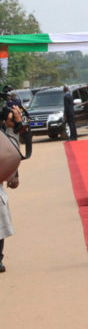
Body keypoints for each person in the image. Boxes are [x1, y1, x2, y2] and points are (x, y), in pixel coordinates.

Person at [0, 105, 21, 273]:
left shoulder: (6, 135)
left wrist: (13, 175)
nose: (11, 121)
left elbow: (11, 155)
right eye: (10, 118)